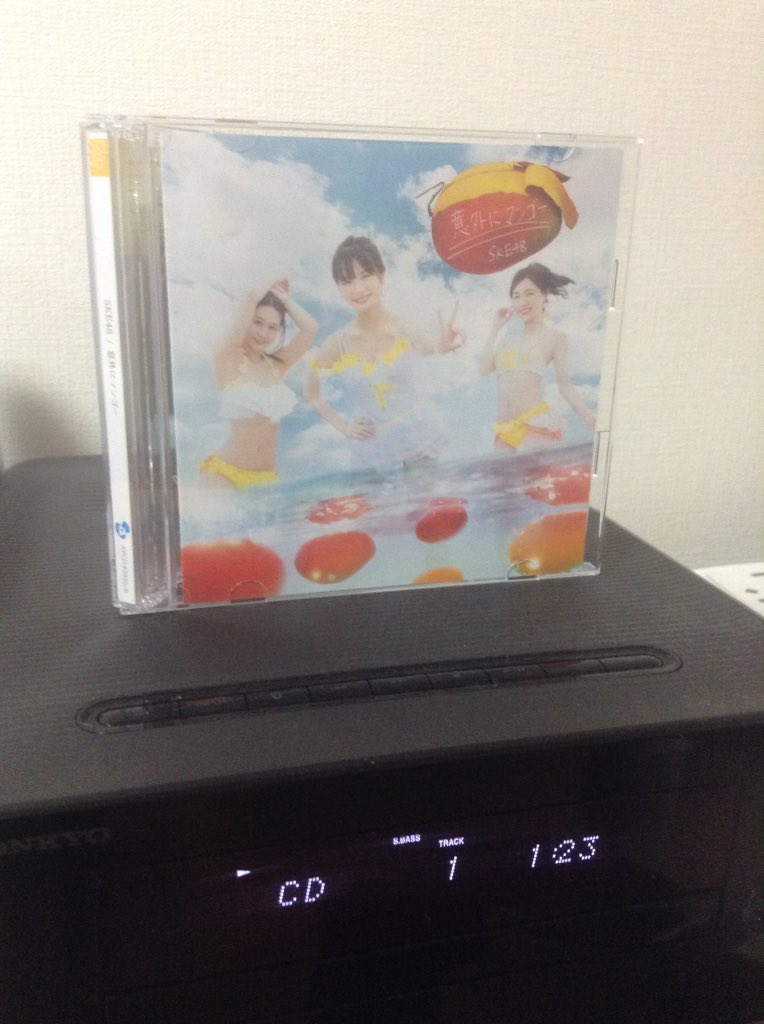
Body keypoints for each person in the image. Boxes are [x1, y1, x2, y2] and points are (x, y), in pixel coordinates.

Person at [304, 236, 465, 470]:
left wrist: (444, 345)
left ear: (381, 275)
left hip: (416, 439)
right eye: (347, 281)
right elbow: (312, 393)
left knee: (425, 492)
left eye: (365, 276)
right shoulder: (336, 344)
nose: (358, 289)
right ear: (338, 287)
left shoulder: (406, 330)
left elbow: (434, 348)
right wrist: (344, 427)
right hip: (370, 450)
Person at [200, 280, 318, 489]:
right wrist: (274, 282)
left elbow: (310, 329)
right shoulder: (227, 359)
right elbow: (250, 297)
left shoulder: (277, 366)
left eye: (273, 327)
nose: (263, 333)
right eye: (257, 322)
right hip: (225, 476)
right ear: (247, 320)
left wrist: (285, 300)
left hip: (267, 480)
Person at [479, 262, 595, 452]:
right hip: (504, 430)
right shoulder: (508, 340)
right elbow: (484, 369)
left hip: (534, 424)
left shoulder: (555, 337)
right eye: (516, 296)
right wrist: (495, 328)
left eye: (529, 293)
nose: (522, 302)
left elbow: (565, 386)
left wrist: (587, 415)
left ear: (544, 295)